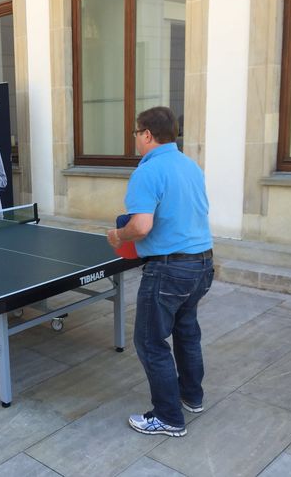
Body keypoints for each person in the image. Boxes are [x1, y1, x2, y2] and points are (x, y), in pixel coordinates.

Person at [107, 106, 214, 437]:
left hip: (169, 270)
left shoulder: (147, 171)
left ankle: (168, 417)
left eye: (137, 134)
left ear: (148, 135)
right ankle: (191, 397)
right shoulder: (190, 166)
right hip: (202, 265)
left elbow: (141, 225)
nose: (136, 139)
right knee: (186, 331)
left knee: (150, 341)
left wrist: (117, 236)